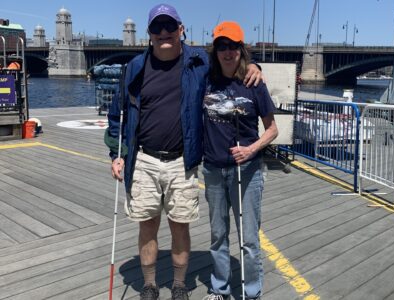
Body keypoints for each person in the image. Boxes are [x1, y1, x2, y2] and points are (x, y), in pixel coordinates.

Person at [104, 4, 263, 300]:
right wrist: (116, 154)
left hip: (182, 161)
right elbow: (118, 116)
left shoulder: (199, 62)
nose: (163, 33)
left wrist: (255, 67)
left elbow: (230, 67)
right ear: (149, 33)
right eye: (156, 27)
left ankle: (179, 285)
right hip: (144, 160)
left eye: (169, 26)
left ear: (181, 29)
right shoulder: (134, 69)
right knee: (147, 225)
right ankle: (149, 286)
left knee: (180, 226)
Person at [202, 21, 278, 300]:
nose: (228, 52)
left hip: (246, 171)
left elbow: (272, 130)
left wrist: (251, 150)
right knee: (218, 235)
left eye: (233, 46)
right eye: (222, 46)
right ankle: (220, 289)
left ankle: (252, 292)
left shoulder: (254, 83)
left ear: (241, 49)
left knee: (248, 239)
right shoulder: (206, 79)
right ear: (215, 50)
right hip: (212, 169)